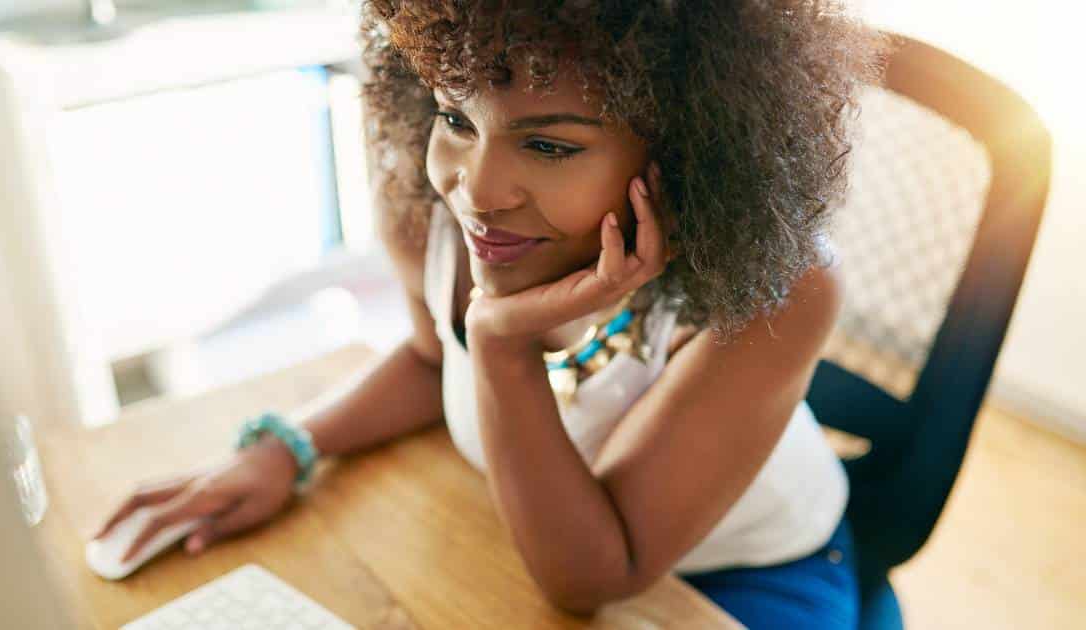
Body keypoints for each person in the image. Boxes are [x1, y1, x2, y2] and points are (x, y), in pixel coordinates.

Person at [94, 2, 888, 627]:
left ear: (681, 150)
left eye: (548, 147)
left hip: (746, 584)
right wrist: (289, 446)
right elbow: (432, 359)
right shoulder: (426, 210)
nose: (476, 189)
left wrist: (502, 338)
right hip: (521, 527)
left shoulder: (782, 292)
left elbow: (591, 577)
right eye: (456, 119)